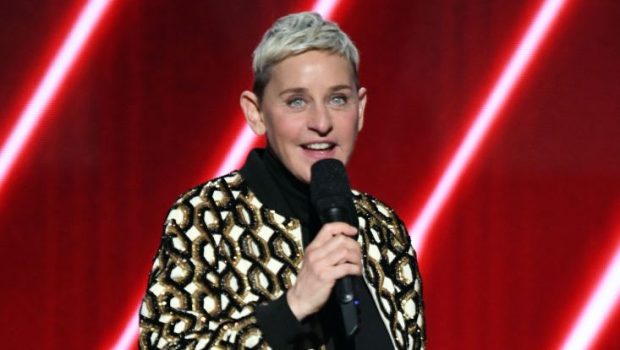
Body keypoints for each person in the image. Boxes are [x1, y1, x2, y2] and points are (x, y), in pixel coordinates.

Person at [139, 12, 425, 349]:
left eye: (338, 99)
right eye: (297, 101)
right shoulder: (207, 217)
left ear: (360, 109)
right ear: (256, 113)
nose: (321, 122)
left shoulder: (382, 228)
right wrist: (293, 307)